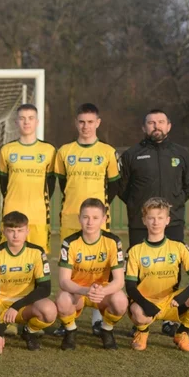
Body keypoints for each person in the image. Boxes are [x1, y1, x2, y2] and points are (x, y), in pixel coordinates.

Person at [53, 103, 120, 333]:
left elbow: (113, 186)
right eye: (81, 121)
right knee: (71, 270)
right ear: (76, 123)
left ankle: (97, 317)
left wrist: (98, 213)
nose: (86, 126)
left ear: (98, 123)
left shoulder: (108, 152)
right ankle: (67, 318)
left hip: (98, 220)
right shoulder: (64, 152)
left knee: (100, 268)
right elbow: (63, 185)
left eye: (90, 122)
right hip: (71, 218)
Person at [125, 197, 189, 353]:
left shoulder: (178, 247)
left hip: (172, 302)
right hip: (146, 302)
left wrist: (182, 297)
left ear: (167, 220)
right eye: (151, 218)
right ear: (144, 220)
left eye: (160, 218)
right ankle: (142, 332)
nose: (155, 222)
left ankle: (182, 333)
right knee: (138, 311)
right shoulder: (135, 250)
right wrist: (146, 304)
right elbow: (130, 287)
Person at [0, 211, 56, 354]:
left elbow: (45, 289)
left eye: (20, 231)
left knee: (49, 310)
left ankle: (29, 332)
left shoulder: (37, 252)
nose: (15, 235)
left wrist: (16, 306)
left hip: (24, 305)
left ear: (27, 231)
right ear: (3, 231)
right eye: (11, 231)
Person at [55, 198, 128, 351]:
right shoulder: (70, 243)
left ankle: (106, 330)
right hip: (78, 292)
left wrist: (102, 291)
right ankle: (70, 331)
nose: (90, 222)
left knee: (121, 300)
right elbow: (63, 281)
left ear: (104, 219)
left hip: (102, 293)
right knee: (63, 299)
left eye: (95, 218)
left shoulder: (113, 242)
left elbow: (119, 281)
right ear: (79, 218)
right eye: (86, 217)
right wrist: (85, 291)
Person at [117, 110, 189, 247]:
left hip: (173, 222)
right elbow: (121, 188)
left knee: (171, 266)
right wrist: (137, 203)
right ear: (143, 127)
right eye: (151, 123)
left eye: (161, 122)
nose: (156, 126)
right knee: (140, 266)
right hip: (140, 223)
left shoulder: (182, 154)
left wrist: (175, 201)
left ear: (168, 126)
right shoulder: (131, 155)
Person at [0, 104, 56, 254]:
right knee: (7, 257)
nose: (26, 122)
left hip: (39, 214)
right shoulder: (7, 150)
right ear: (16, 122)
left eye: (30, 118)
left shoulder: (49, 150)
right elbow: (4, 183)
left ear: (37, 122)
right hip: (11, 213)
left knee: (39, 260)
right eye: (22, 118)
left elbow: (51, 183)